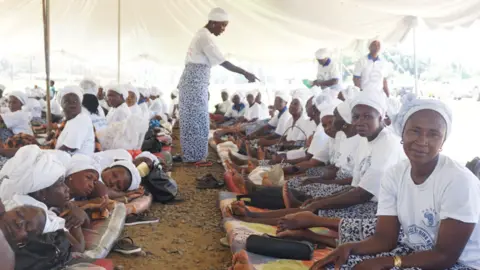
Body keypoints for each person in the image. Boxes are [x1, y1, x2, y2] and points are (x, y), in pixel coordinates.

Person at [311, 98, 480, 270]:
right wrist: (349, 247)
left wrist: (387, 262)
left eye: (433, 134)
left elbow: (445, 257)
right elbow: (385, 238)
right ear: (402, 133)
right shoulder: (395, 174)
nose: (422, 141)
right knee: (336, 265)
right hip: (414, 252)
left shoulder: (459, 181)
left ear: (443, 141)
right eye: (414, 131)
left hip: (460, 264)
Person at [229, 90, 405, 225]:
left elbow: (362, 194)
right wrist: (322, 200)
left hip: (380, 210)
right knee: (310, 203)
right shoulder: (366, 140)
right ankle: (253, 211)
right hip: (360, 197)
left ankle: (253, 214)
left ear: (381, 117)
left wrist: (322, 202)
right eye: (356, 117)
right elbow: (356, 186)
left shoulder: (387, 144)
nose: (360, 121)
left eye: (368, 116)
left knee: (314, 210)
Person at [177, 7, 258, 165]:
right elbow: (222, 61)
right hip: (194, 84)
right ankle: (196, 158)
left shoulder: (202, 34)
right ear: (213, 23)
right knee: (197, 121)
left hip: (193, 84)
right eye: (222, 25)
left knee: (191, 120)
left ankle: (189, 155)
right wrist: (245, 73)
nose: (223, 30)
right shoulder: (205, 37)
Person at [0, 145, 87, 252]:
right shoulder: (34, 214)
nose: (67, 188)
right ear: (41, 193)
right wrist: (76, 223)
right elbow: (77, 248)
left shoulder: (19, 197)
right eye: (61, 183)